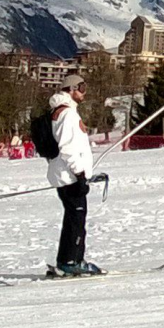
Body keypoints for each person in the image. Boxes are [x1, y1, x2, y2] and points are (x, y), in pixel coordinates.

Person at [47, 86, 102, 276]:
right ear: (71, 90)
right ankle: (71, 261)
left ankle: (67, 259)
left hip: (64, 174)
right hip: (69, 176)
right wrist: (79, 174)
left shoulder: (58, 111)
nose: (84, 93)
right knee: (76, 219)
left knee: (73, 217)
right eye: (82, 88)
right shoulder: (67, 114)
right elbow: (67, 148)